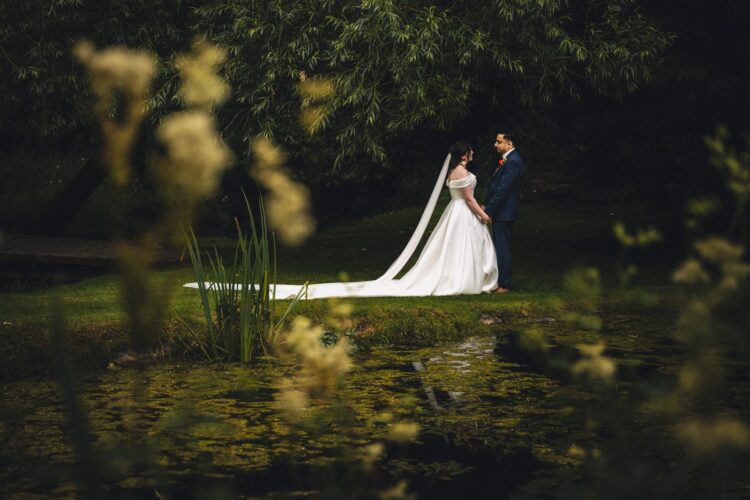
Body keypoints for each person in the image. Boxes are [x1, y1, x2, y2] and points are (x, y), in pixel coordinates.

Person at [185, 141, 499, 298]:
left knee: (447, 251)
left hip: (453, 214)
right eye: (470, 152)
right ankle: (464, 281)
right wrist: (484, 214)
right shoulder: (463, 173)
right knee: (458, 250)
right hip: (463, 213)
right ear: (464, 154)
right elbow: (469, 199)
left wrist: (476, 208)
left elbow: (463, 196)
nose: (472, 154)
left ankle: (458, 279)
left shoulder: (451, 172)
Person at [483, 132, 525, 294]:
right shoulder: (507, 160)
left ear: (509, 144)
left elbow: (503, 190)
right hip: (502, 211)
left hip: (505, 212)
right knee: (501, 247)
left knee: (503, 248)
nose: (495, 145)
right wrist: (486, 203)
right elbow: (496, 186)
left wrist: (489, 210)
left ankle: (505, 285)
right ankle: (501, 281)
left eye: (498, 142)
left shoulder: (513, 162)